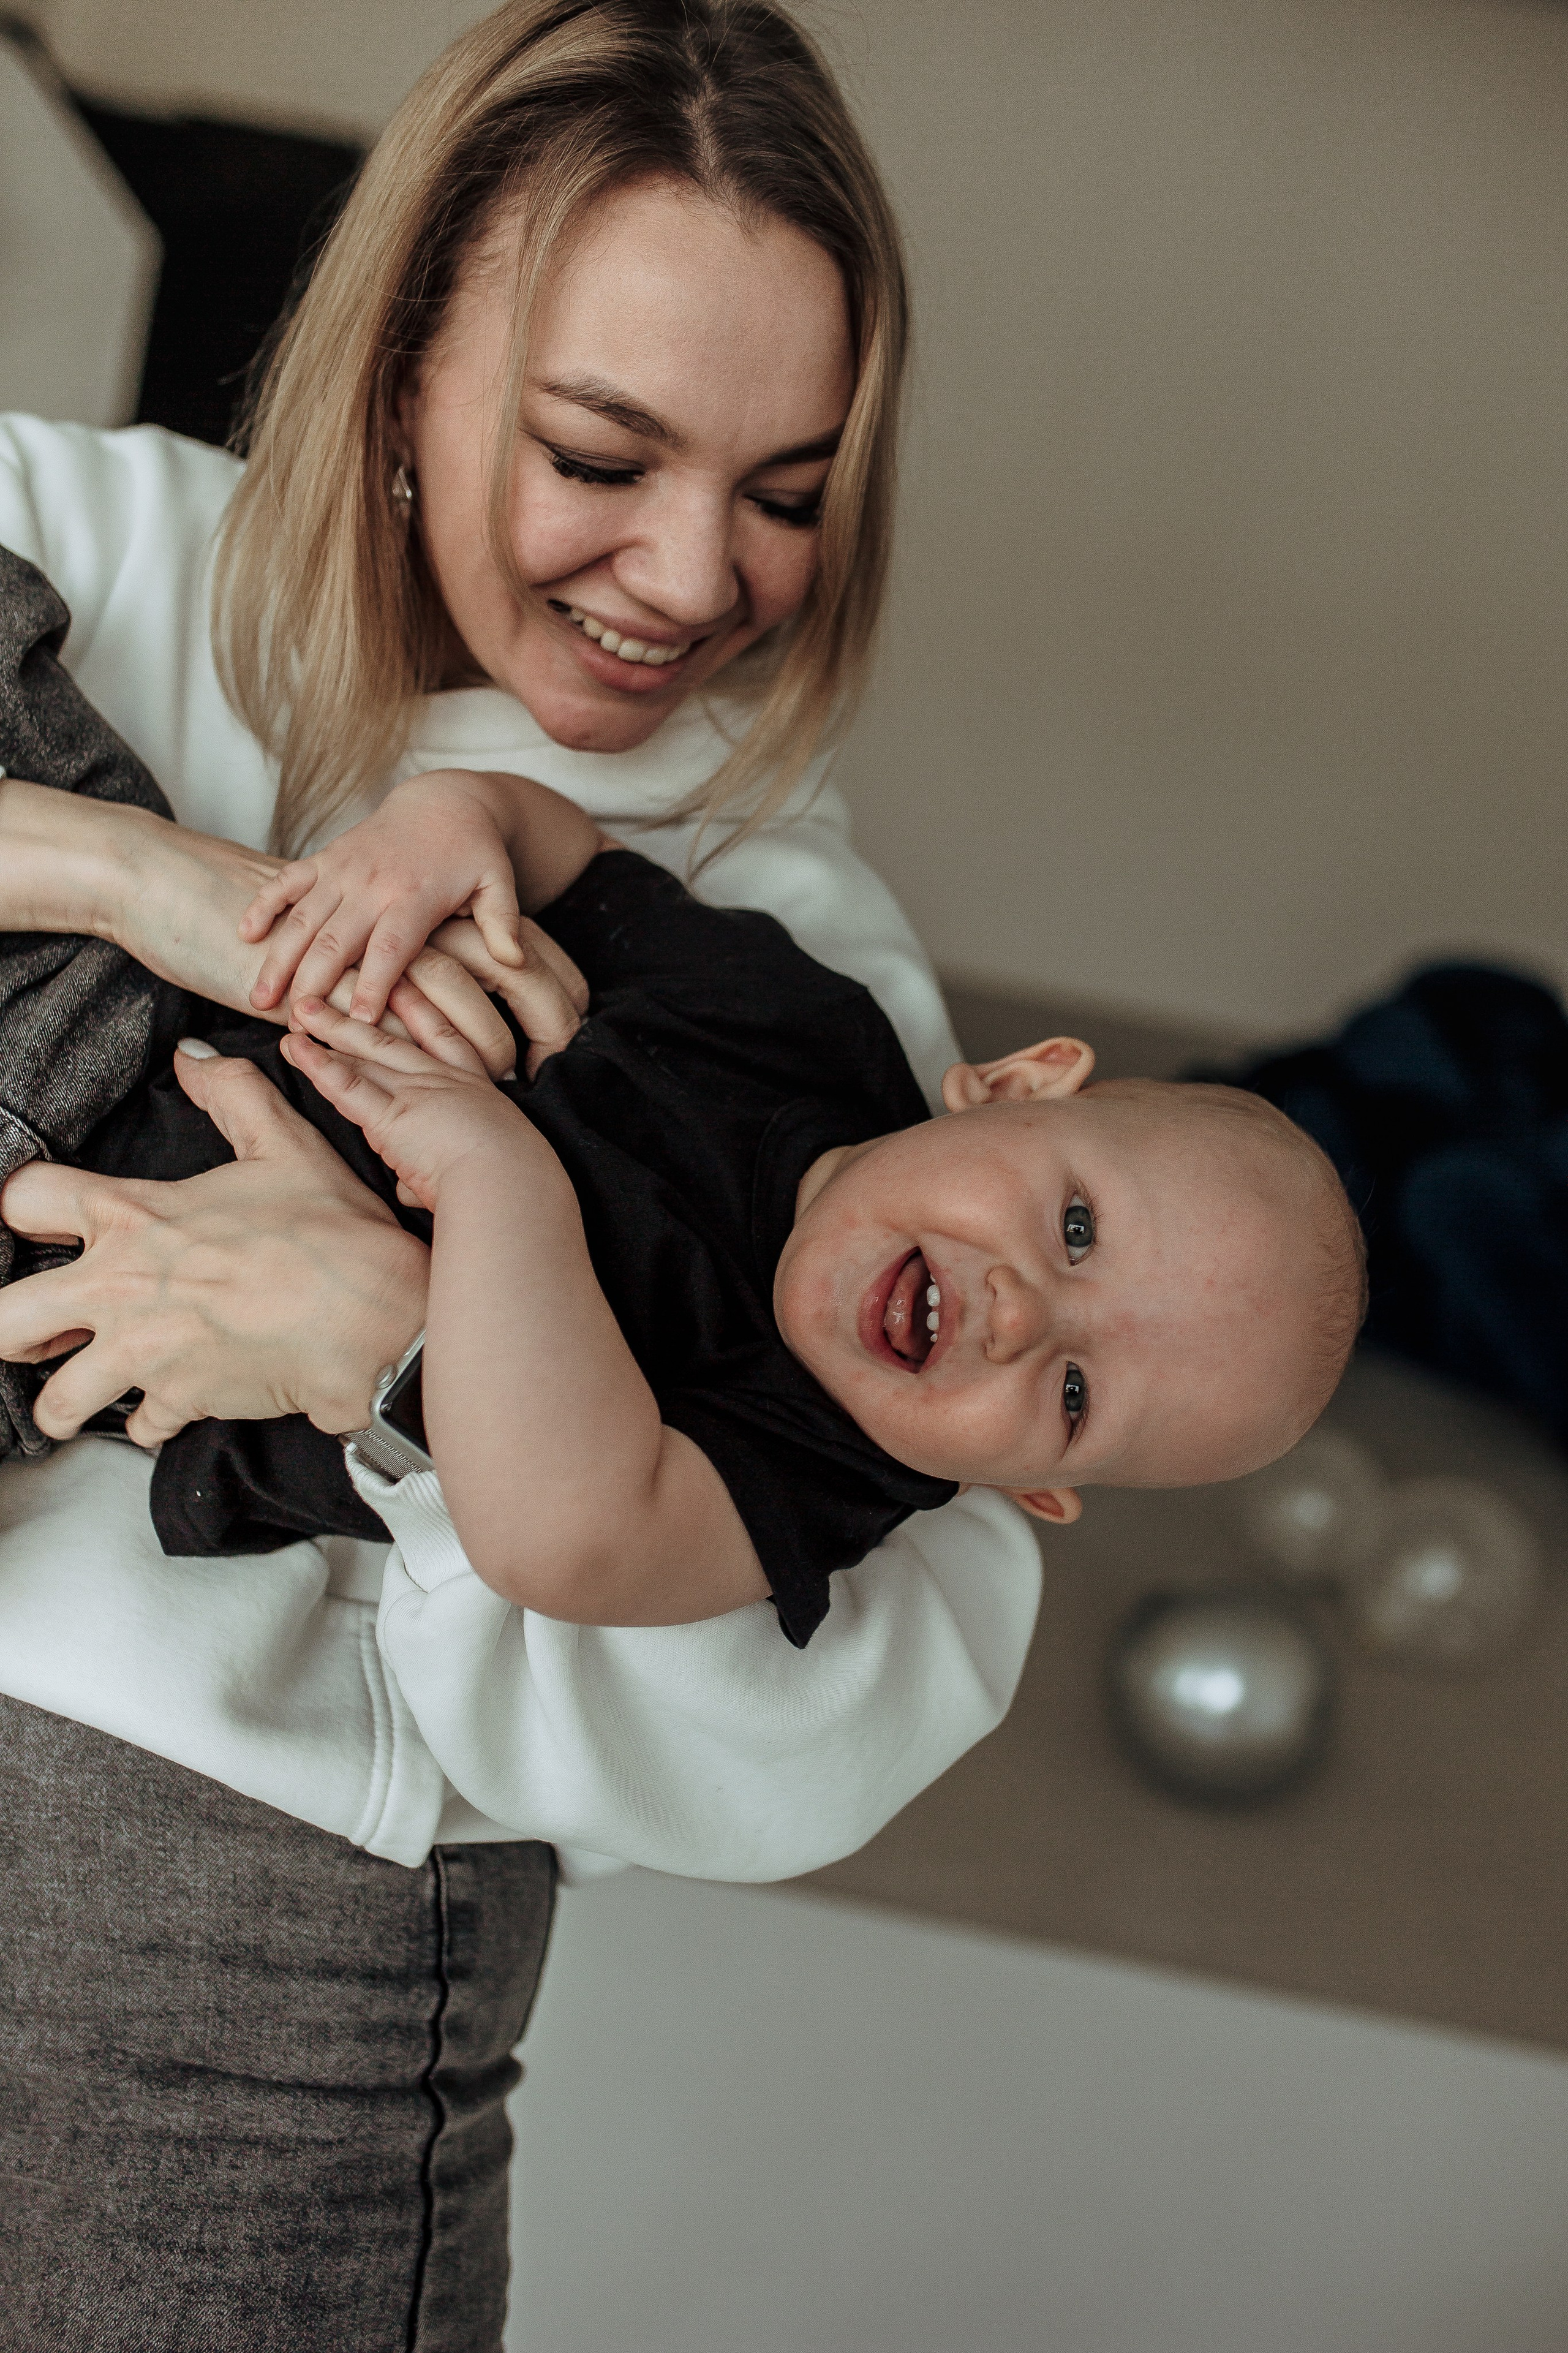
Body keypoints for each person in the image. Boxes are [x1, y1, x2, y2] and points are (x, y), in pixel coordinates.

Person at [0, 6, 1051, 2347]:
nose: (694, 575)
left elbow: (852, 1681)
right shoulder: (74, 545)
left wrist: (401, 1341)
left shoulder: (791, 956)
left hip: (220, 1953)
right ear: (396, 365)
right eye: (604, 454)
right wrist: (143, 884)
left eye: (790, 492)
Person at [4, 746, 1365, 1640]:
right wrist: (445, 824)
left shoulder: (830, 1465)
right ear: (1013, 1085)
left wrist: (497, 1178)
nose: (1016, 1316)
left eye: (1072, 1397)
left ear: (1022, 1488)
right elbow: (560, 848)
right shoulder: (796, 1022)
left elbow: (573, 1542)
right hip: (124, 979)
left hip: (54, 1281)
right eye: (1073, 1230)